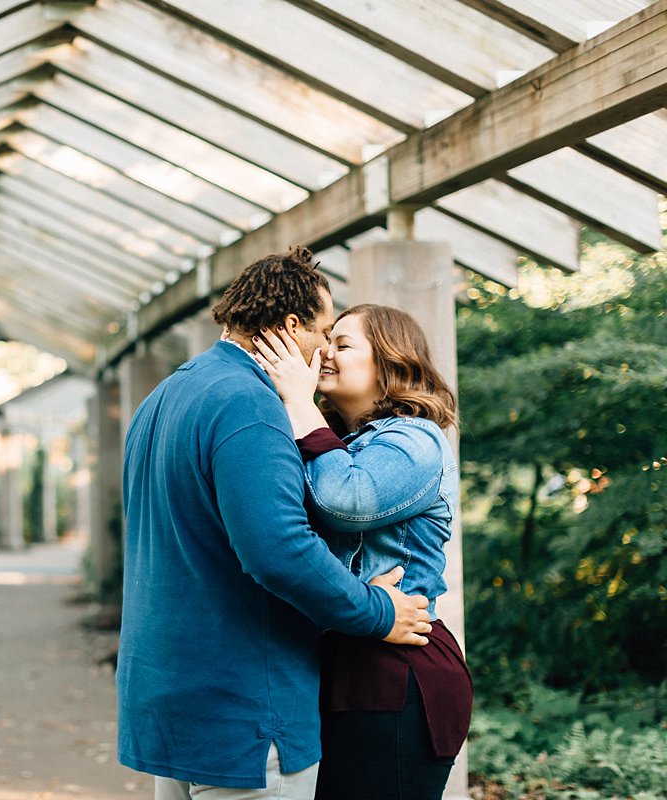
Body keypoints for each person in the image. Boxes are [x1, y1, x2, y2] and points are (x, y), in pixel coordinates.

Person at [117, 247, 432, 800]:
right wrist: (377, 610)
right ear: (292, 327)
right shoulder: (251, 404)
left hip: (168, 694)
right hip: (242, 706)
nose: (326, 350)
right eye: (324, 331)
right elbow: (279, 550)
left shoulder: (163, 398)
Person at [250, 303, 473, 800]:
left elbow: (346, 500)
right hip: (342, 659)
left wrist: (300, 403)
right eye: (326, 339)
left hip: (398, 669)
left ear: (390, 361)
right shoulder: (336, 444)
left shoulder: (416, 438)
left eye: (343, 344)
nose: (324, 352)